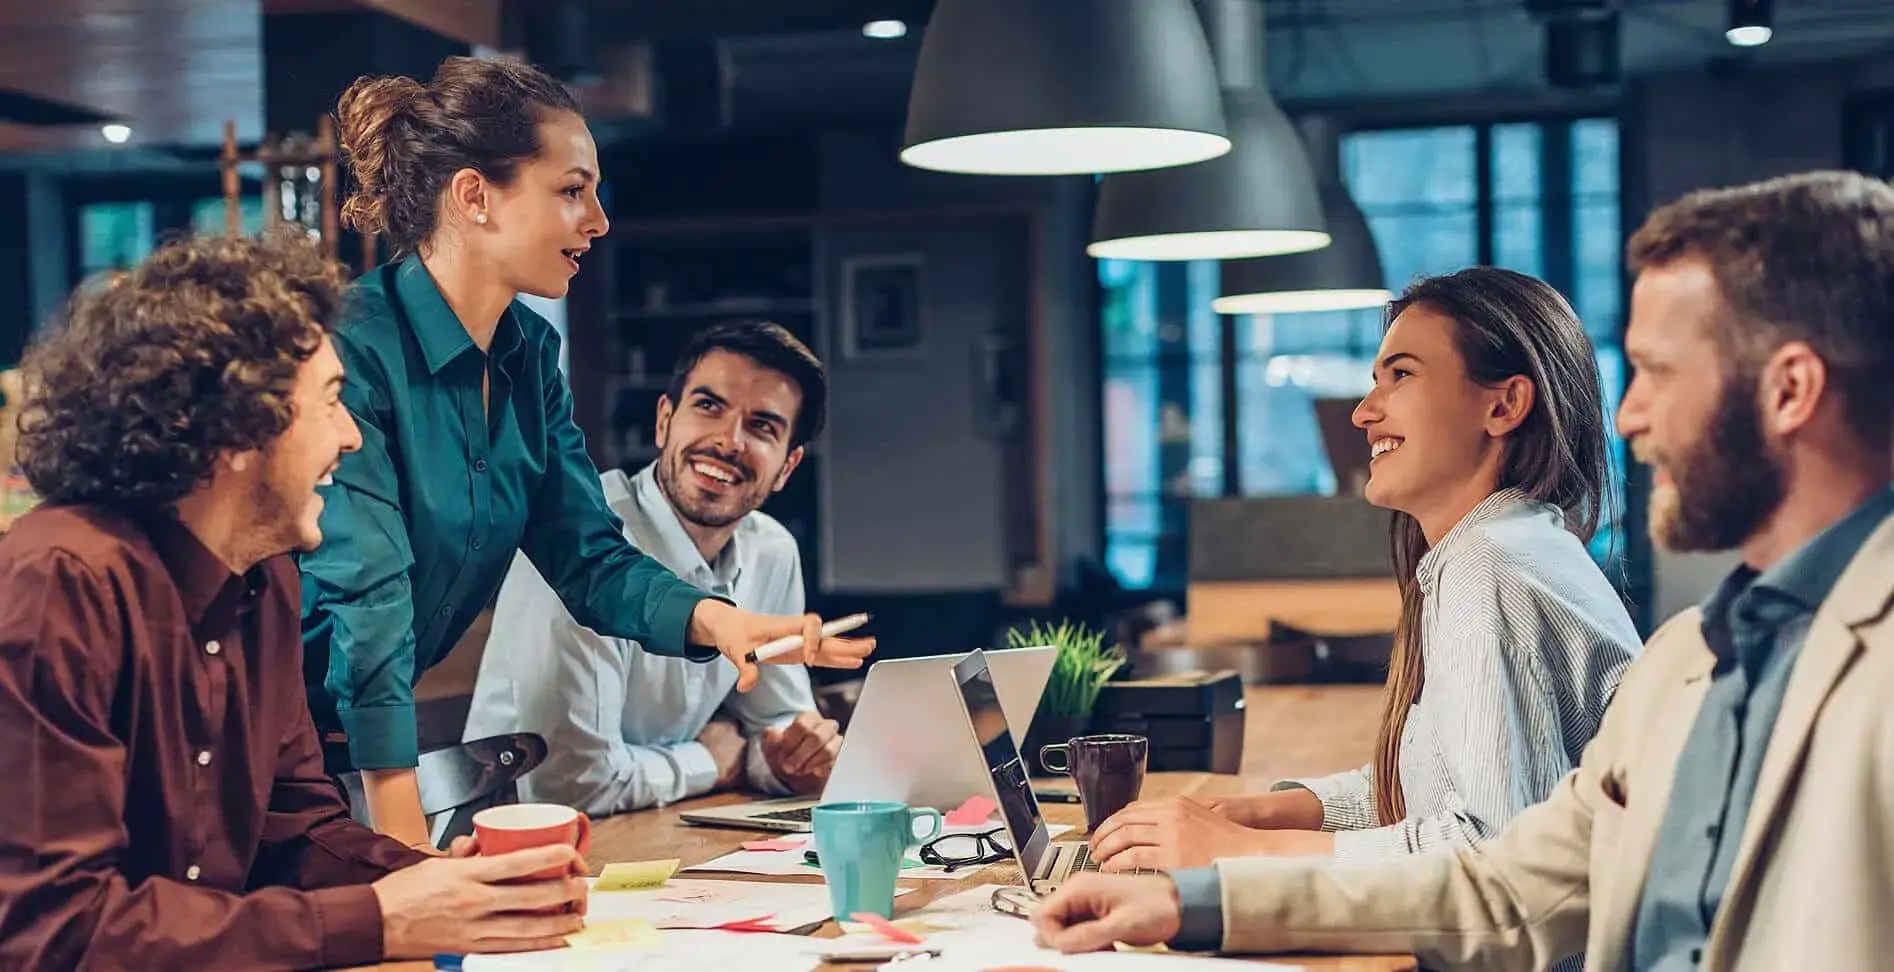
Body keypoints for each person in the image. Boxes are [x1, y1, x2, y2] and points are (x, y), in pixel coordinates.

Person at [1028, 170, 1894, 972]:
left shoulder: (1868, 666)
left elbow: (1483, 841)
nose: (1628, 415)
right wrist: (1195, 897)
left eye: (1659, 374)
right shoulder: (1692, 659)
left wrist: (1230, 846)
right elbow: (1508, 887)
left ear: (1789, 390)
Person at [299, 56, 872, 849]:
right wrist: (406, 855)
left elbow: (589, 554)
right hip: (257, 740)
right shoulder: (353, 345)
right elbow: (369, 602)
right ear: (474, 197)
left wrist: (719, 622)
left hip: (335, 762)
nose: (597, 220)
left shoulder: (529, 355)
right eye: (571, 191)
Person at [0, 233, 593, 970]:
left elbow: (297, 833)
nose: (350, 438)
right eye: (332, 402)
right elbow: (57, 934)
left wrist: (436, 883)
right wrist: (381, 918)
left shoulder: (265, 576)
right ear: (238, 429)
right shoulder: (62, 582)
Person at [1090, 267, 1640, 880]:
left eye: (1401, 375)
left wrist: (1234, 848)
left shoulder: (1492, 569)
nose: (1362, 413)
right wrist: (1253, 815)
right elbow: (1427, 787)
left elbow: (1492, 857)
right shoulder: (1508, 545)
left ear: (1504, 404)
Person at [466, 320, 844, 814]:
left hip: (657, 830)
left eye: (762, 426)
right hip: (513, 844)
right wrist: (709, 760)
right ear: (664, 420)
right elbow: (569, 786)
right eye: (709, 406)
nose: (729, 441)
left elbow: (775, 731)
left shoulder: (771, 551)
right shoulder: (578, 538)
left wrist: (792, 757)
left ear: (787, 467)